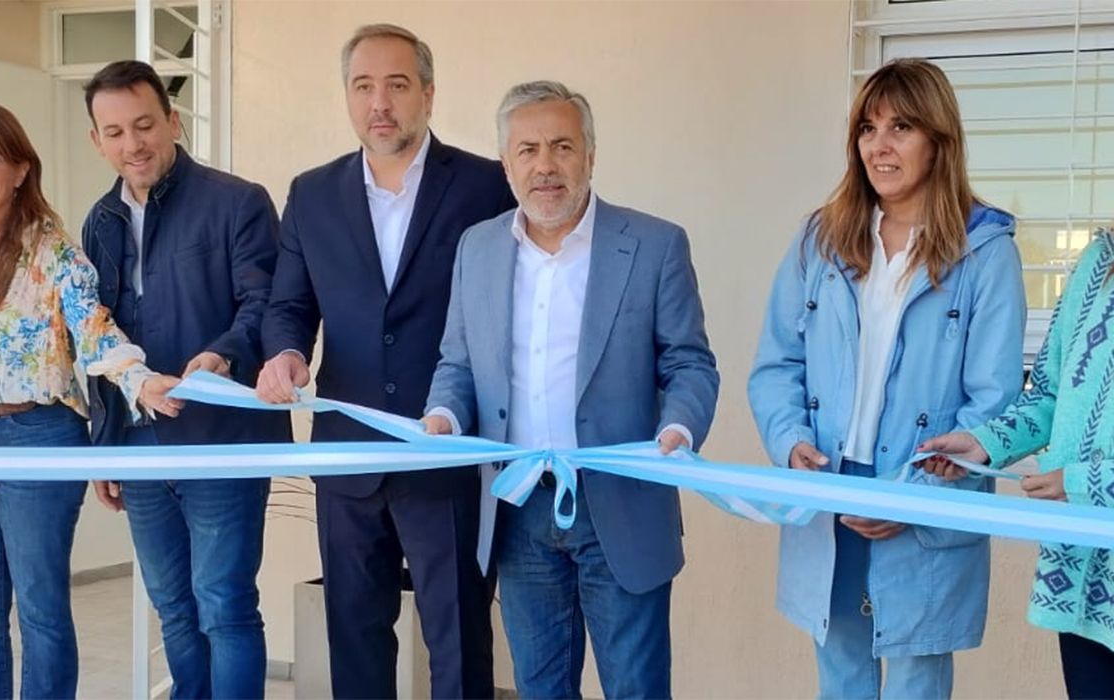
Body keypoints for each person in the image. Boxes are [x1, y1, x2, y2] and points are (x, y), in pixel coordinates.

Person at [422, 79, 719, 699]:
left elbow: (690, 364)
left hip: (623, 503)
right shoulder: (476, 249)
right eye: (527, 150)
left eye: (562, 146)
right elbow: (457, 362)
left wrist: (679, 429)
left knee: (635, 688)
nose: (545, 166)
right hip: (520, 507)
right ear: (506, 164)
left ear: (590, 155)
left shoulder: (655, 245)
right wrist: (444, 415)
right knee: (541, 688)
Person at [747, 57, 1026, 699]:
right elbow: (776, 364)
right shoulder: (820, 238)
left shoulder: (987, 253)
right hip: (831, 488)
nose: (880, 144)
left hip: (925, 493)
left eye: (901, 126)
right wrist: (791, 442)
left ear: (938, 139)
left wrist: (913, 494)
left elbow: (994, 400)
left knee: (916, 679)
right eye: (867, 128)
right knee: (841, 671)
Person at [254, 24, 514, 699]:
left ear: (427, 94)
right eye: (363, 85)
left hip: (445, 452)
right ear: (347, 96)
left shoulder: (487, 188)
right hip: (347, 458)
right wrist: (285, 353)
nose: (380, 102)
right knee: (355, 632)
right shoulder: (312, 193)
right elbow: (289, 304)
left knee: (457, 635)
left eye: (397, 85)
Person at [0, 103, 175, 699]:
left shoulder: (52, 252)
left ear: (20, 169)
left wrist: (140, 380)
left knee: (40, 606)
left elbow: (95, 332)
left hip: (37, 434)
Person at [81, 60, 291, 699]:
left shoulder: (238, 201)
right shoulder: (99, 222)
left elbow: (265, 303)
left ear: (173, 121)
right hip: (142, 446)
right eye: (114, 132)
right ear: (97, 141)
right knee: (173, 607)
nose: (132, 144)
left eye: (144, 125)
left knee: (223, 604)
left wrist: (222, 355)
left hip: (223, 438)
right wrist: (105, 442)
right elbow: (97, 337)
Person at [922, 227, 1114, 698]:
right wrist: (984, 443)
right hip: (1084, 581)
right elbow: (1050, 392)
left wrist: (1086, 482)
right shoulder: (1098, 262)